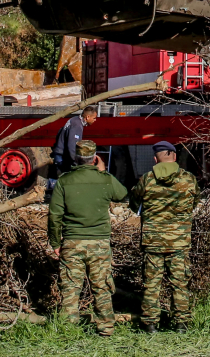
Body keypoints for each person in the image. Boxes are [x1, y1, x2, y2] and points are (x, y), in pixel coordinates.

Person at [48, 138, 128, 336]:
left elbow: (54, 216)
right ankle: (106, 327)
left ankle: (69, 330)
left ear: (76, 158)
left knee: (70, 288)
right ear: (95, 159)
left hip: (72, 243)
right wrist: (103, 171)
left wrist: (56, 242)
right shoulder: (104, 179)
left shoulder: (64, 181)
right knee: (102, 286)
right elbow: (122, 194)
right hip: (99, 243)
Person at [130, 141, 200, 333]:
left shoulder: (147, 179)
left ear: (155, 159)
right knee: (179, 282)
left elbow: (133, 203)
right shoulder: (189, 179)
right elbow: (195, 202)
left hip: (153, 241)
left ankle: (150, 324)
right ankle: (181, 323)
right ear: (174, 157)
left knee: (152, 283)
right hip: (179, 240)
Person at [51, 104, 98, 177]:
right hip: (63, 158)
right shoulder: (77, 125)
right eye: (94, 118)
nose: (95, 120)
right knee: (65, 181)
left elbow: (60, 131)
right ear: (88, 117)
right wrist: (77, 162)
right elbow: (72, 146)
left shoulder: (74, 120)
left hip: (60, 155)